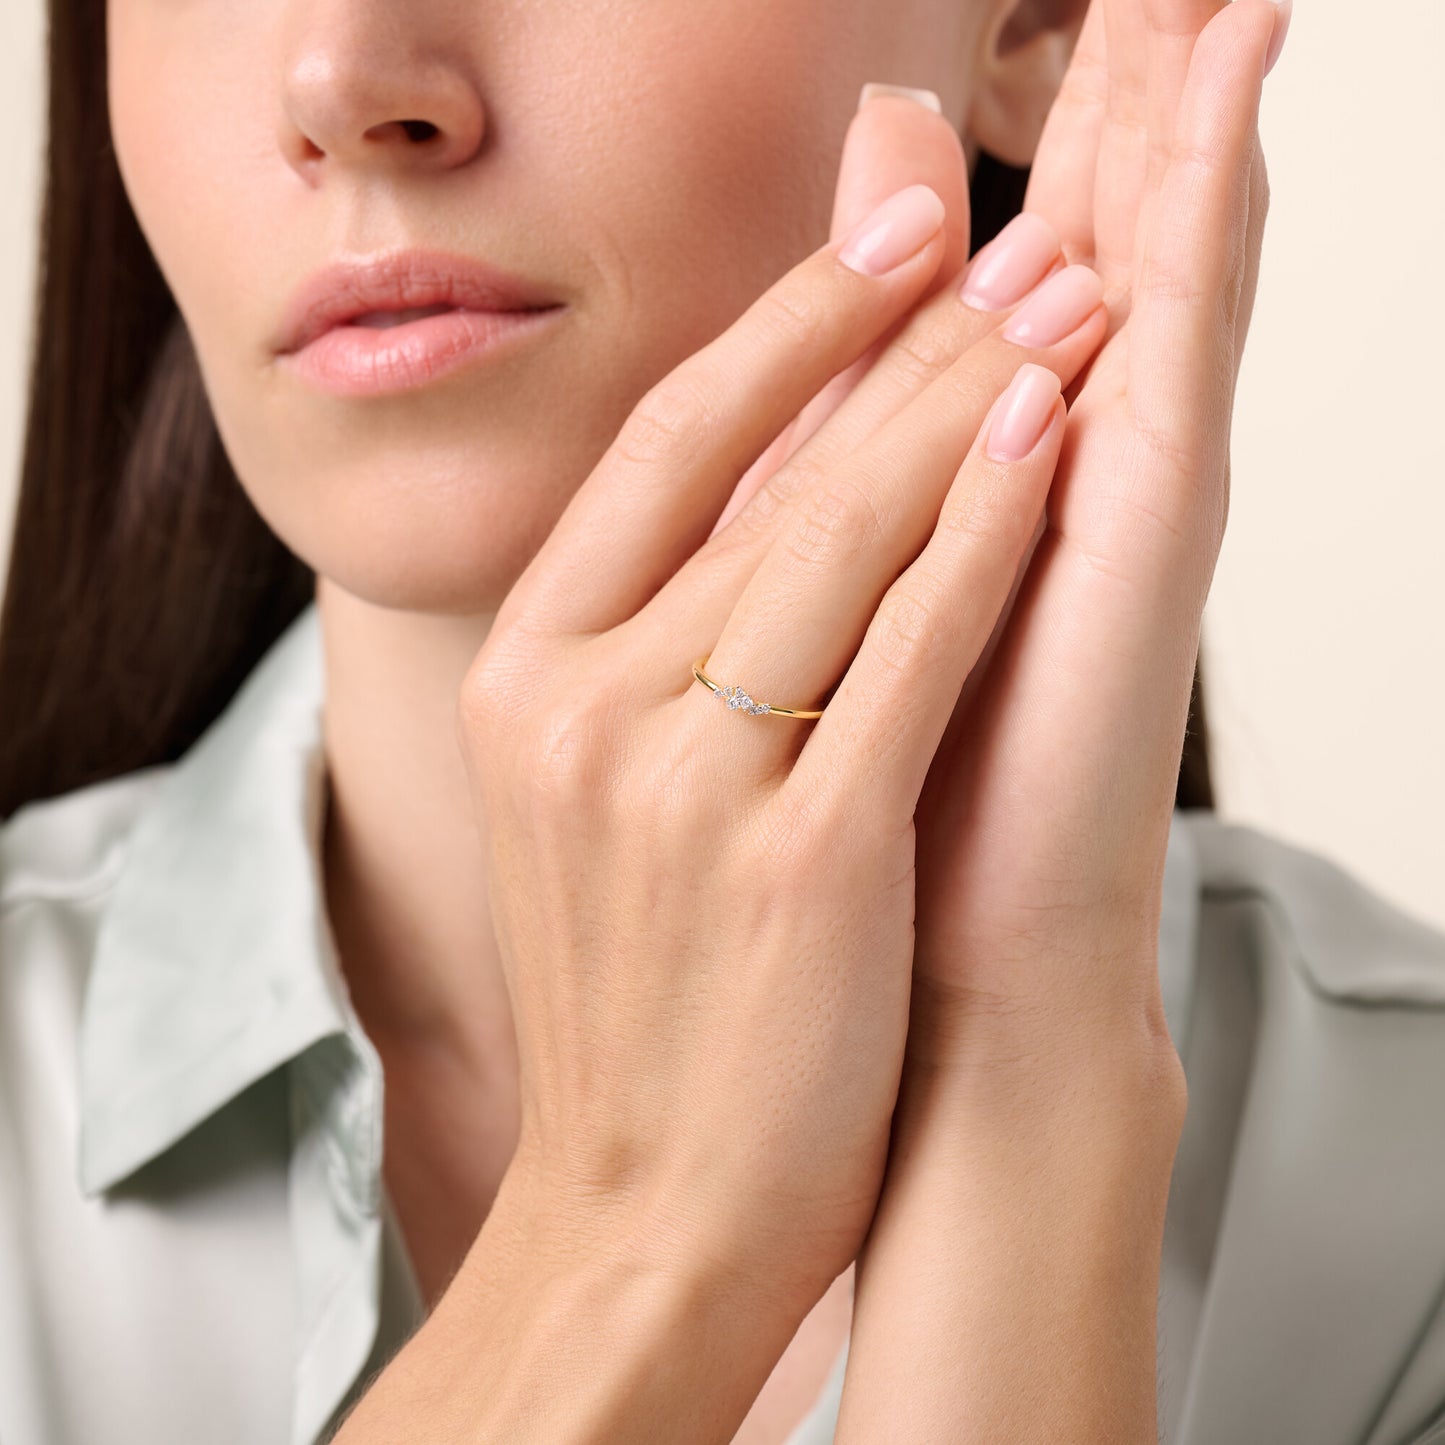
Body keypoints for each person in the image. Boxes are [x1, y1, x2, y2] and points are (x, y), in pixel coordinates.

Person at [2, 0, 1443, 1441]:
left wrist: (1015, 1065)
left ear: (1033, 24)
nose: (340, 81)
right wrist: (628, 1241)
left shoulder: (1406, 1214)